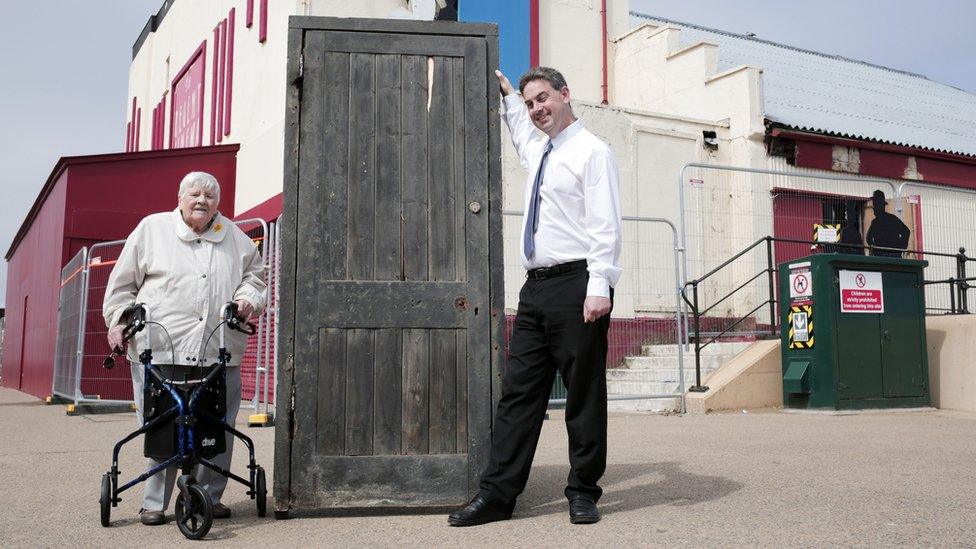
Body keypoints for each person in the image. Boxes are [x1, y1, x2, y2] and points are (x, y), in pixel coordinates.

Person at [448, 67, 622, 526]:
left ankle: (583, 492)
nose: (536, 109)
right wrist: (509, 96)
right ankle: (497, 497)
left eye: (543, 98)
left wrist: (599, 284)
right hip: (537, 289)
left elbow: (605, 225)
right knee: (518, 395)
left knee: (583, 396)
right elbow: (520, 132)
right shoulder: (540, 149)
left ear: (566, 94)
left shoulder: (592, 152)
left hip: (578, 285)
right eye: (530, 103)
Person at [103, 171, 266, 526]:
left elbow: (256, 278)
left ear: (218, 204)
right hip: (159, 348)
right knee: (160, 423)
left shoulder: (235, 238)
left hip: (219, 347)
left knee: (219, 423)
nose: (202, 201)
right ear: (179, 198)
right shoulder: (151, 230)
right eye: (194, 193)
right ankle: (153, 503)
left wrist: (248, 298)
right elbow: (122, 284)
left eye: (210, 196)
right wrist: (117, 321)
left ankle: (208, 496)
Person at [865, 190, 910, 258]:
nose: (874, 207)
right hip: (886, 255)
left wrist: (900, 248)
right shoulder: (876, 222)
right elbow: (869, 239)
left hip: (888, 255)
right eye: (874, 204)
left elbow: (906, 232)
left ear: (882, 206)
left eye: (876, 204)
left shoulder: (892, 219)